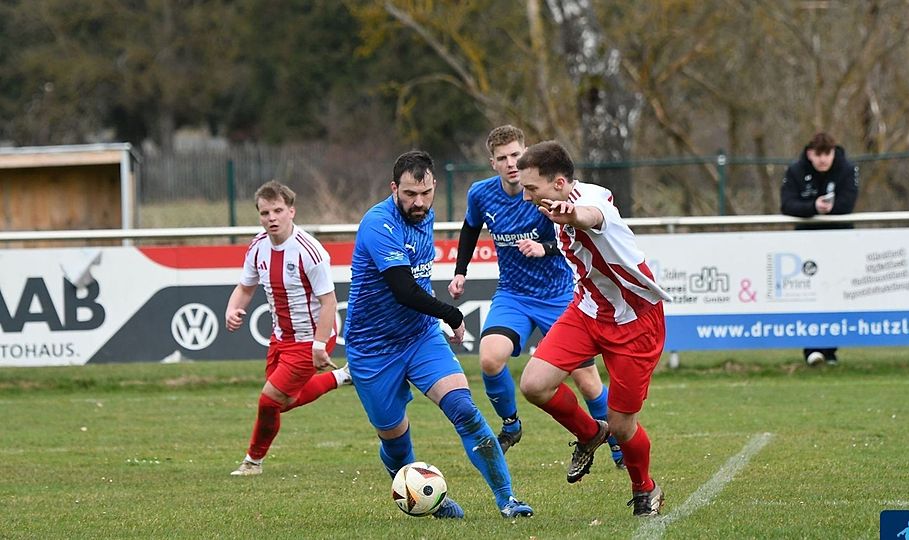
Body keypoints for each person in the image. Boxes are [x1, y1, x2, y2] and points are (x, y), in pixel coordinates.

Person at [343, 150, 533, 519]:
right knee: (396, 442)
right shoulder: (378, 224)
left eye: (426, 193)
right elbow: (402, 289)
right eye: (411, 194)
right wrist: (450, 313)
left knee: (464, 408)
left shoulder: (424, 215)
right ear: (394, 188)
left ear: (434, 188)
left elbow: (418, 281)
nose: (419, 202)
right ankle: (431, 501)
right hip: (372, 349)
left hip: (419, 336)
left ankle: (507, 499)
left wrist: (436, 316)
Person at [448, 124, 624, 468]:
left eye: (516, 154)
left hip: (558, 295)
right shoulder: (480, 194)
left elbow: (573, 236)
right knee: (489, 358)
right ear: (492, 162)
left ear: (525, 153)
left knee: (587, 380)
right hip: (512, 294)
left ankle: (616, 442)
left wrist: (544, 248)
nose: (511, 162)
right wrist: (460, 270)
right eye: (503, 157)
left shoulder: (543, 192)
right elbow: (470, 228)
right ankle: (511, 425)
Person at [515, 141, 672, 517]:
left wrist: (573, 213)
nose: (525, 196)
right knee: (534, 384)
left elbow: (592, 216)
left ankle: (644, 489)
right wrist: (564, 210)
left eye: (531, 188)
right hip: (587, 310)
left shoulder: (590, 205)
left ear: (559, 183)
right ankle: (589, 433)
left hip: (635, 321)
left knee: (622, 425)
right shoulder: (572, 194)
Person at [225, 180, 352, 476]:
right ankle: (343, 376)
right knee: (284, 401)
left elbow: (330, 302)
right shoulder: (257, 247)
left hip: (311, 338)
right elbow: (245, 287)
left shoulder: (310, 251)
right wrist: (232, 309)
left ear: (291, 211)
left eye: (278, 210)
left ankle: (252, 462)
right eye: (265, 212)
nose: (272, 218)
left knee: (269, 400)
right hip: (280, 337)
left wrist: (319, 346)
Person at [780, 132, 859, 366]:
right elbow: (787, 204)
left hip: (839, 241)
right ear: (809, 154)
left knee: (837, 293)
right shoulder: (795, 171)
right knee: (809, 294)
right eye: (819, 154)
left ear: (834, 152)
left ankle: (831, 350)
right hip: (806, 244)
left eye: (828, 154)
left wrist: (828, 210)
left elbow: (847, 203)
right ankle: (812, 349)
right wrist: (813, 207)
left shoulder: (846, 169)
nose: (823, 159)